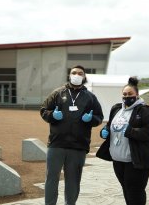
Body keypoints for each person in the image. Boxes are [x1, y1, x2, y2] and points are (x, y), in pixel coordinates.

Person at [40, 65, 104, 205]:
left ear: (84, 76)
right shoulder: (57, 93)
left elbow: (99, 117)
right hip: (57, 143)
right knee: (51, 178)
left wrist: (91, 119)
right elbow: (43, 110)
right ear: (69, 75)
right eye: (74, 72)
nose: (76, 75)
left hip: (78, 145)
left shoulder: (90, 97)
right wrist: (52, 115)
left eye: (80, 73)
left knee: (73, 180)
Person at [96, 77, 149, 205]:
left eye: (130, 94)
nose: (127, 96)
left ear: (137, 95)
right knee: (126, 190)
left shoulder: (144, 111)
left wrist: (131, 131)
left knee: (135, 192)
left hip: (136, 161)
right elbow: (110, 126)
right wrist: (104, 131)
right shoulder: (116, 109)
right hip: (118, 160)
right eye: (124, 94)